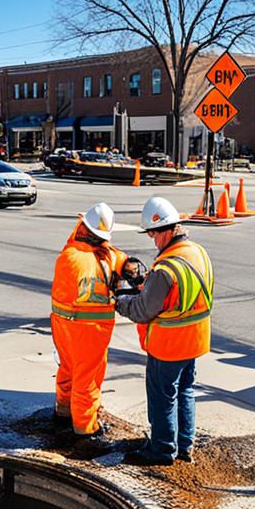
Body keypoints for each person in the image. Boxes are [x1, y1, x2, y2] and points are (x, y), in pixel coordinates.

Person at [115, 196, 214, 465]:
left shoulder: (165, 268)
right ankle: (184, 446)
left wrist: (120, 302)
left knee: (162, 397)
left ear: (168, 229)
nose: (151, 239)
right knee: (185, 391)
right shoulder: (197, 252)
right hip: (194, 340)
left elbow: (143, 310)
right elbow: (180, 293)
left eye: (153, 233)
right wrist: (146, 288)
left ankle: (161, 449)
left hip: (169, 344)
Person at [50, 202, 128, 439]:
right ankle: (85, 427)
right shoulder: (105, 258)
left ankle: (63, 409)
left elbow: (77, 242)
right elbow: (121, 262)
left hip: (63, 325)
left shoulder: (69, 255)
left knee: (68, 368)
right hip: (92, 330)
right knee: (88, 377)